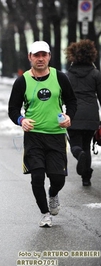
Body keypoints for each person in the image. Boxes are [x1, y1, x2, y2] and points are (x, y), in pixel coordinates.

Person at [8, 41, 77, 227]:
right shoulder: (22, 81)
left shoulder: (60, 77)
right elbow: (12, 109)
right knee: (37, 177)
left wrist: (69, 116)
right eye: (36, 55)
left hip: (56, 135)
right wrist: (21, 120)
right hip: (34, 136)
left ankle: (53, 194)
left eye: (43, 55)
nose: (40, 59)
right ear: (30, 57)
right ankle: (45, 213)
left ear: (49, 56)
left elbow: (72, 101)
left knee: (58, 179)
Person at [65, 39, 101, 186]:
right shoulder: (96, 74)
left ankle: (79, 154)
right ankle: (86, 178)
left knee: (76, 145)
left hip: (74, 115)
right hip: (92, 115)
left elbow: (62, 97)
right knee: (87, 145)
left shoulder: (68, 75)